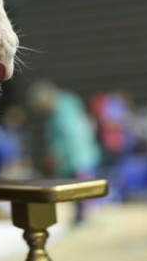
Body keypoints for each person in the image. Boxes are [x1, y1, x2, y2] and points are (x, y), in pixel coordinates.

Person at [28, 80, 101, 223]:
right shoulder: (67, 102)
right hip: (81, 154)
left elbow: (69, 135)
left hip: (77, 157)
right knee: (78, 189)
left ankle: (85, 216)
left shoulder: (61, 110)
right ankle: (82, 215)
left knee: (80, 189)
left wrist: (55, 155)